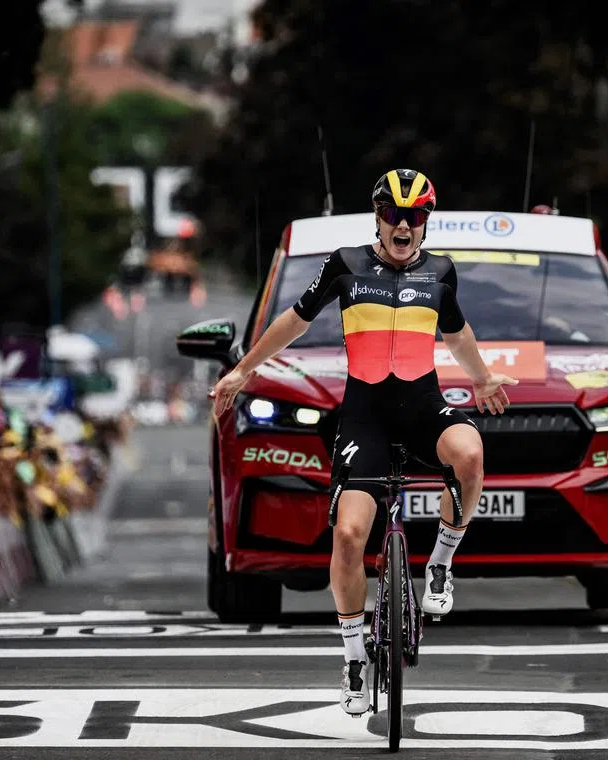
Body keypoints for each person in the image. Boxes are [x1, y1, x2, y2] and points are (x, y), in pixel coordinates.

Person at [208, 168, 518, 716]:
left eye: (415, 215)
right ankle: (354, 657)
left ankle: (441, 562)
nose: (404, 225)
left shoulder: (442, 271)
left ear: (426, 222)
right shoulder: (346, 263)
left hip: (423, 406)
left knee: (470, 455)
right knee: (350, 537)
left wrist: (483, 377)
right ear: (378, 217)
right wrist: (243, 372)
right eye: (394, 215)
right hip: (365, 416)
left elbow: (456, 331)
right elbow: (294, 320)